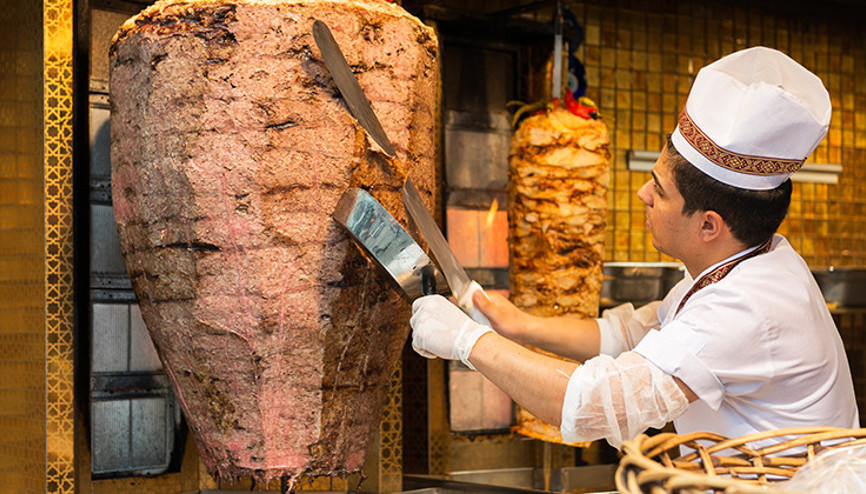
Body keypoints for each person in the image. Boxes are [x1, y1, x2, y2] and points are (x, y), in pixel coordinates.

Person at [409, 46, 859, 448]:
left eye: (659, 190)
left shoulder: (747, 307)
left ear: (709, 225)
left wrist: (467, 341)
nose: (643, 194)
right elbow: (628, 336)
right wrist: (519, 326)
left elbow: (592, 404)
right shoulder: (748, 262)